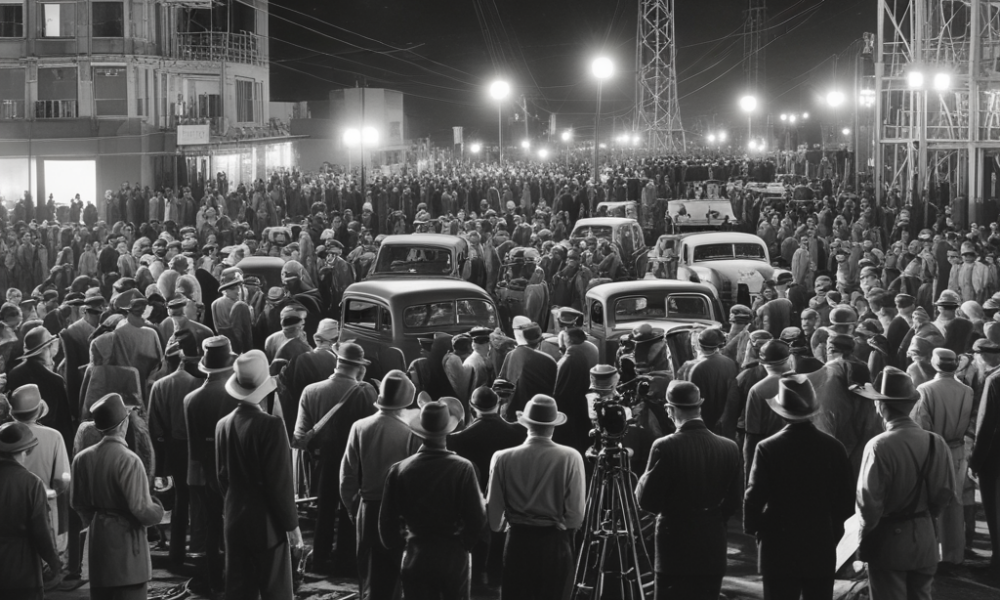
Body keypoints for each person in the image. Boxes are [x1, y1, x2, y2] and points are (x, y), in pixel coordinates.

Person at [743, 375, 854, 600]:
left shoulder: (767, 448)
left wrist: (755, 528)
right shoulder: (834, 448)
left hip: (777, 543)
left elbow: (754, 497)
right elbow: (846, 501)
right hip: (820, 541)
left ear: (782, 412)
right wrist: (833, 532)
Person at [853, 367, 956, 600]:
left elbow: (869, 504)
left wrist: (862, 544)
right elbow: (945, 493)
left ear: (880, 406)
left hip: (888, 544)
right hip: (925, 539)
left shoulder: (879, 446)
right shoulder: (936, 442)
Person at [635, 381, 742, 600]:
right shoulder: (729, 447)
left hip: (674, 543)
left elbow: (647, 502)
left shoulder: (665, 446)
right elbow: (734, 500)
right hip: (712, 541)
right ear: (699, 406)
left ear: (670, 410)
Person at [216, 350, 303, 600]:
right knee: (275, 591)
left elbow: (221, 477)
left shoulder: (223, 424)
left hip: (234, 516)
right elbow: (280, 484)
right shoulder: (271, 426)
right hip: (266, 523)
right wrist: (292, 526)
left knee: (239, 591)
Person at [379, 399, 487, 599]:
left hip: (416, 553)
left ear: (420, 431)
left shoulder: (400, 469)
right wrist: (463, 545)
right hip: (453, 555)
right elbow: (477, 518)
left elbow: (387, 526)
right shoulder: (463, 468)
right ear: (447, 430)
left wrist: (403, 549)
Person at [486, 394, 585, 600]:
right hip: (554, 544)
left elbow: (494, 519)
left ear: (526, 424)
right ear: (553, 425)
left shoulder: (502, 458)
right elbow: (576, 516)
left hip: (518, 543)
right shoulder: (571, 457)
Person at [71, 393, 164, 600]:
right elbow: (141, 509)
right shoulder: (129, 460)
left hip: (98, 543)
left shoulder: (81, 459)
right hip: (127, 547)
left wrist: (98, 521)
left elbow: (77, 503)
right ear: (124, 424)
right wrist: (158, 511)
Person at [294, 342, 376, 576]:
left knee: (325, 510)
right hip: (355, 460)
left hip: (325, 460)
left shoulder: (311, 390)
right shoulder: (366, 391)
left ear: (336, 362)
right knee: (350, 510)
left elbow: (299, 436)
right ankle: (345, 561)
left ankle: (319, 559)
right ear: (359, 367)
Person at [339, 369, 421, 600]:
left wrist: (352, 507)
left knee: (368, 576)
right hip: (399, 512)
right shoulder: (411, 430)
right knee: (397, 576)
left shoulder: (360, 426)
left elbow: (348, 474)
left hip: (368, 507)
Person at [448, 386, 526, 587]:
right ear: (498, 403)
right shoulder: (518, 432)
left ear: (472, 407)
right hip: (510, 505)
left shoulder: (458, 439)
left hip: (474, 505)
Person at [183, 336, 240, 594]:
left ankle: (213, 578)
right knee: (236, 526)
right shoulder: (234, 396)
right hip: (236, 471)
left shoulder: (191, 399)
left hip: (207, 472)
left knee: (211, 526)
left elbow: (194, 450)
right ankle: (236, 578)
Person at [910, 348, 974, 568]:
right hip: (957, 449)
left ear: (934, 364)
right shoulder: (966, 390)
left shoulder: (924, 389)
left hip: (933, 449)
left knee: (931, 501)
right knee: (954, 502)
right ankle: (954, 555)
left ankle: (932, 554)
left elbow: (921, 423)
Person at [147, 333, 203, 568]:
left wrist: (163, 446)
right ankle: (201, 550)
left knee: (180, 498)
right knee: (201, 499)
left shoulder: (161, 385)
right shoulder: (203, 383)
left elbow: (154, 426)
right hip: (200, 447)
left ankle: (177, 553)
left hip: (175, 447)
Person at [0, 421, 62, 600]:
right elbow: (41, 529)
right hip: (22, 569)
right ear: (24, 451)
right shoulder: (31, 483)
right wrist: (54, 562)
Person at [971, 339, 1000, 575]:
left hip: (995, 460)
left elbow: (986, 425)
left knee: (995, 510)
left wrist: (975, 460)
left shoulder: (994, 380)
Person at [683, 327, 740, 439]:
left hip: (703, 424)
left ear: (699, 344)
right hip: (725, 422)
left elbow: (692, 400)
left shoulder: (693, 367)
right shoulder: (730, 363)